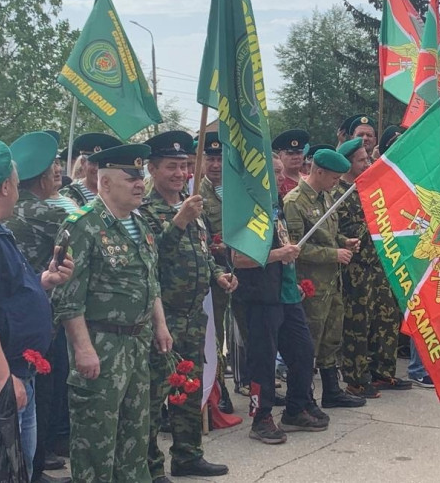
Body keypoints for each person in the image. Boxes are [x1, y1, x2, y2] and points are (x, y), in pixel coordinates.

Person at [51, 144, 173, 483]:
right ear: (104, 183)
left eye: (141, 177)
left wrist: (160, 325)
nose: (139, 184)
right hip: (100, 345)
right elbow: (68, 296)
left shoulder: (141, 224)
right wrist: (83, 348)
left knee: (135, 434)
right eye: (130, 177)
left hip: (137, 344)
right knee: (97, 438)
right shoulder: (82, 225)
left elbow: (151, 281)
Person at [140, 131, 235, 481]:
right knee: (154, 395)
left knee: (187, 389)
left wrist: (219, 275)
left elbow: (203, 253)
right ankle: (151, 465)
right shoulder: (145, 212)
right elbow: (151, 260)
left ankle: (188, 455)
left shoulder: (193, 207)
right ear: (152, 169)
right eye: (171, 167)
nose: (180, 173)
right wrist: (178, 220)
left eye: (184, 166)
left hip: (194, 318)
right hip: (162, 319)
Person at [0, 139, 74, 480]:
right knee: (9, 469)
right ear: (7, 186)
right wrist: (2, 379)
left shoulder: (0, 232)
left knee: (20, 467)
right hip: (6, 375)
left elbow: (9, 294)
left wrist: (44, 282)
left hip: (18, 370)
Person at [232, 155, 329, 445]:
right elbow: (237, 259)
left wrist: (293, 279)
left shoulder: (277, 207)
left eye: (277, 172)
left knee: (302, 352)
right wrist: (277, 255)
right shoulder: (246, 210)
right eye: (270, 173)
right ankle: (261, 418)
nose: (276, 178)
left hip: (286, 295)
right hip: (261, 298)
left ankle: (296, 408)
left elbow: (286, 248)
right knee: (263, 361)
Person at [283, 149, 365, 408]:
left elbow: (330, 233)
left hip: (331, 282)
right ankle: (302, 398)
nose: (336, 183)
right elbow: (294, 247)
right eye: (333, 178)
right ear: (318, 172)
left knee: (331, 336)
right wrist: (333, 254)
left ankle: (331, 390)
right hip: (311, 285)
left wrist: (344, 242)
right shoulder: (294, 202)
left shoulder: (326, 197)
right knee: (309, 343)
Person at [334, 138, 410, 397]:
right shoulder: (339, 194)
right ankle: (356, 378)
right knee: (358, 324)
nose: (367, 163)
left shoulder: (372, 189)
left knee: (386, 319)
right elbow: (344, 232)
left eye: (367, 158)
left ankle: (383, 372)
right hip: (357, 268)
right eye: (361, 160)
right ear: (347, 164)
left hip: (381, 263)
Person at [195, 132, 234, 414]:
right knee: (216, 332)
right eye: (210, 158)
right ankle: (219, 390)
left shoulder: (239, 190)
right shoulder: (196, 192)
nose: (216, 165)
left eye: (220, 158)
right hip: (216, 271)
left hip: (245, 268)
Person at [59, 133, 121, 206]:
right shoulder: (68, 195)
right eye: (93, 163)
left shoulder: (121, 195)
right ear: (83, 163)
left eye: (102, 164)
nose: (97, 168)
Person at [272, 129, 309, 198]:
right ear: (280, 156)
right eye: (290, 153)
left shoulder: (309, 180)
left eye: (299, 153)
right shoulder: (277, 182)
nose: (295, 157)